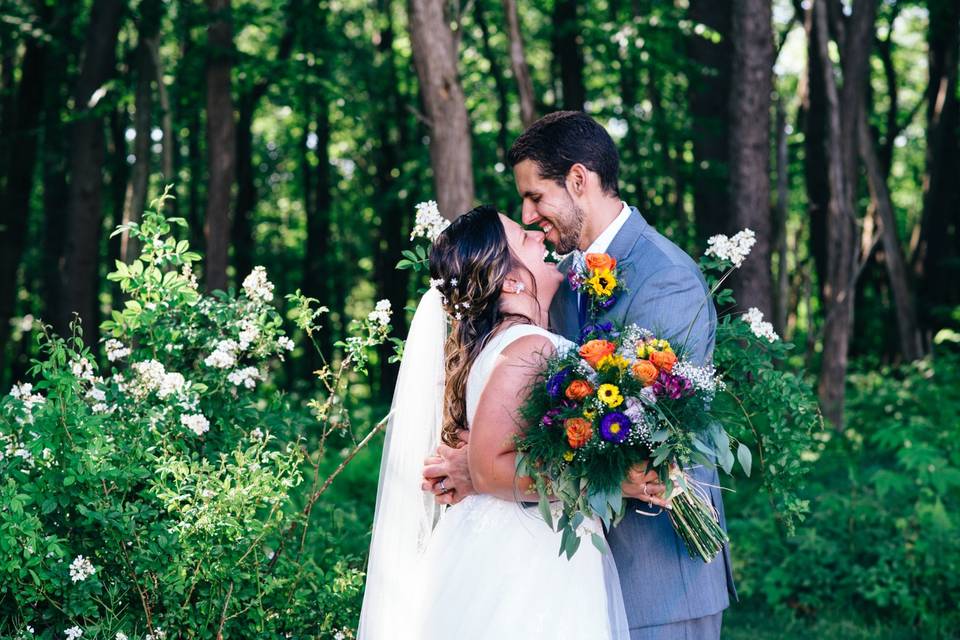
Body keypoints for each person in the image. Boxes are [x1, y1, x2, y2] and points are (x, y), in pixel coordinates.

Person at [423, 111, 736, 640]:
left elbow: (652, 439)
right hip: (571, 574)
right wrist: (483, 448)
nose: (528, 215)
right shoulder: (556, 281)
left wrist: (485, 471)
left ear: (577, 180)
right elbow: (541, 409)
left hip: (656, 578)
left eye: (535, 197)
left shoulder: (667, 278)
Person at [358, 204, 630, 639]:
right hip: (529, 559)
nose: (539, 236)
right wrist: (609, 477)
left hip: (522, 546)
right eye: (524, 238)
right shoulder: (528, 348)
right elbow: (488, 468)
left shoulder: (510, 343)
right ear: (512, 280)